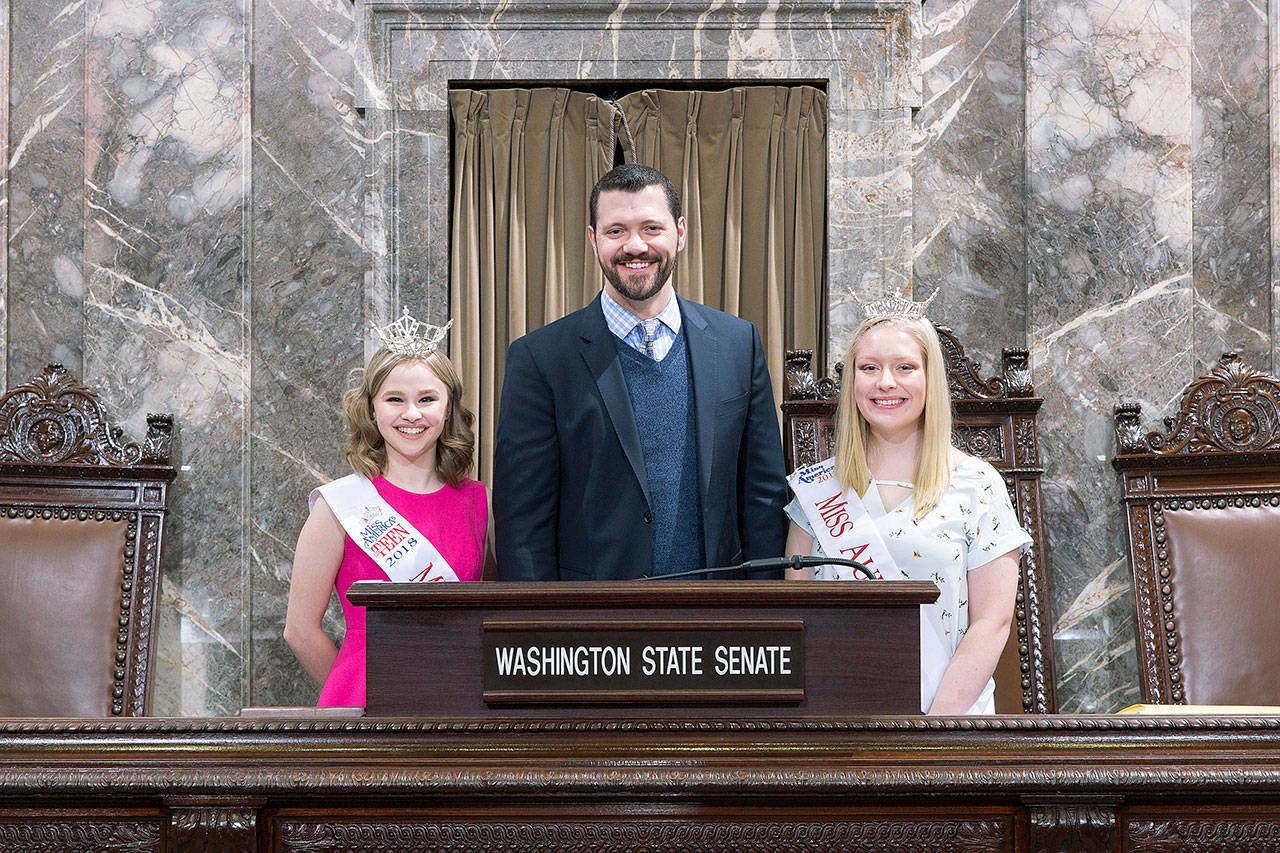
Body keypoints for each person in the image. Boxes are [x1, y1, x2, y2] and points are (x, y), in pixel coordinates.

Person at [494, 163, 788, 581]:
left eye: (651, 228)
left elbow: (763, 498)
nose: (635, 246)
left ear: (680, 233)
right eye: (616, 231)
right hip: (592, 628)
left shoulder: (739, 344)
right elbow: (522, 522)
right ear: (593, 240)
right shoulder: (539, 359)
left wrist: (762, 619)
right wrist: (539, 631)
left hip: (718, 623)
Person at [783, 297, 1030, 714]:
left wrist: (930, 731)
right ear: (853, 382)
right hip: (837, 721)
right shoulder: (816, 490)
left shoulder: (977, 485)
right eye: (869, 368)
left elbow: (993, 623)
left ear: (930, 379)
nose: (885, 383)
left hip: (946, 725)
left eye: (904, 367)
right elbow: (798, 618)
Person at [284, 310, 493, 707]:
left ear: (448, 408)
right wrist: (359, 690)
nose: (411, 414)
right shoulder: (338, 507)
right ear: (372, 409)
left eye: (427, 399)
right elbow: (299, 630)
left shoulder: (477, 502)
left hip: (455, 701)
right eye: (395, 399)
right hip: (366, 708)